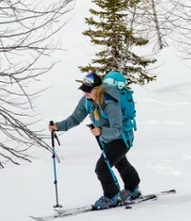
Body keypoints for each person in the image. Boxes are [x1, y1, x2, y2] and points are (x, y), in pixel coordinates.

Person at [49, 72, 141, 210]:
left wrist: (101, 131)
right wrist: (58, 126)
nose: (85, 92)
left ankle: (111, 196)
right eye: (84, 89)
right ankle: (133, 188)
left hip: (122, 138)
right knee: (120, 163)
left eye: (88, 90)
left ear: (97, 89)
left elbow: (117, 129)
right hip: (106, 139)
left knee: (102, 168)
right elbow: (75, 119)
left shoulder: (110, 102)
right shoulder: (87, 101)